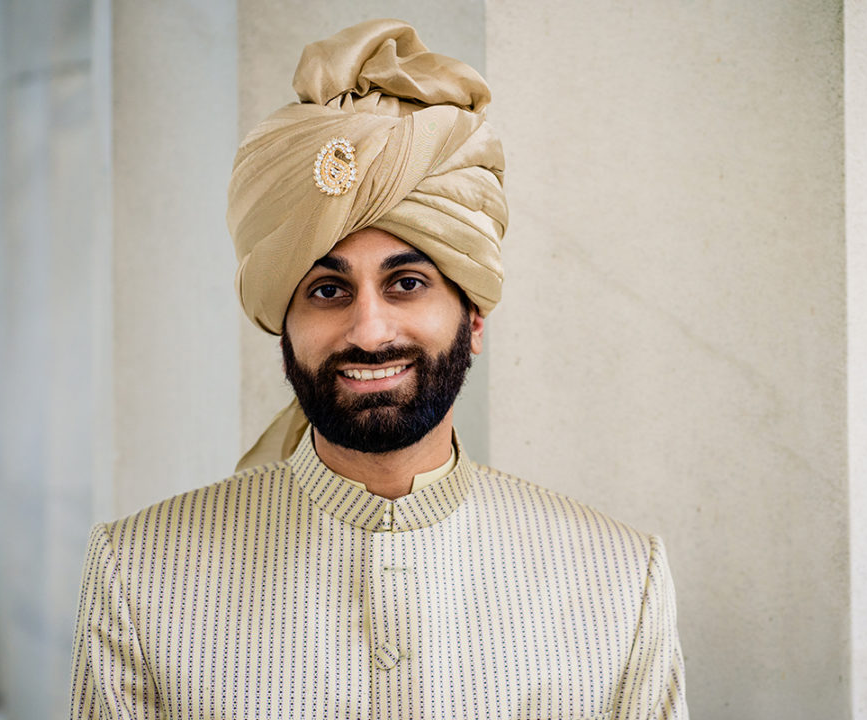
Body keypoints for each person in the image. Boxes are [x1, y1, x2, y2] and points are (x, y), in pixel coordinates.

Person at [68, 19, 687, 720]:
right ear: (283, 324)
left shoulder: (617, 579)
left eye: (408, 283)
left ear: (474, 317)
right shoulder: (140, 574)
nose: (368, 330)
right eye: (327, 290)